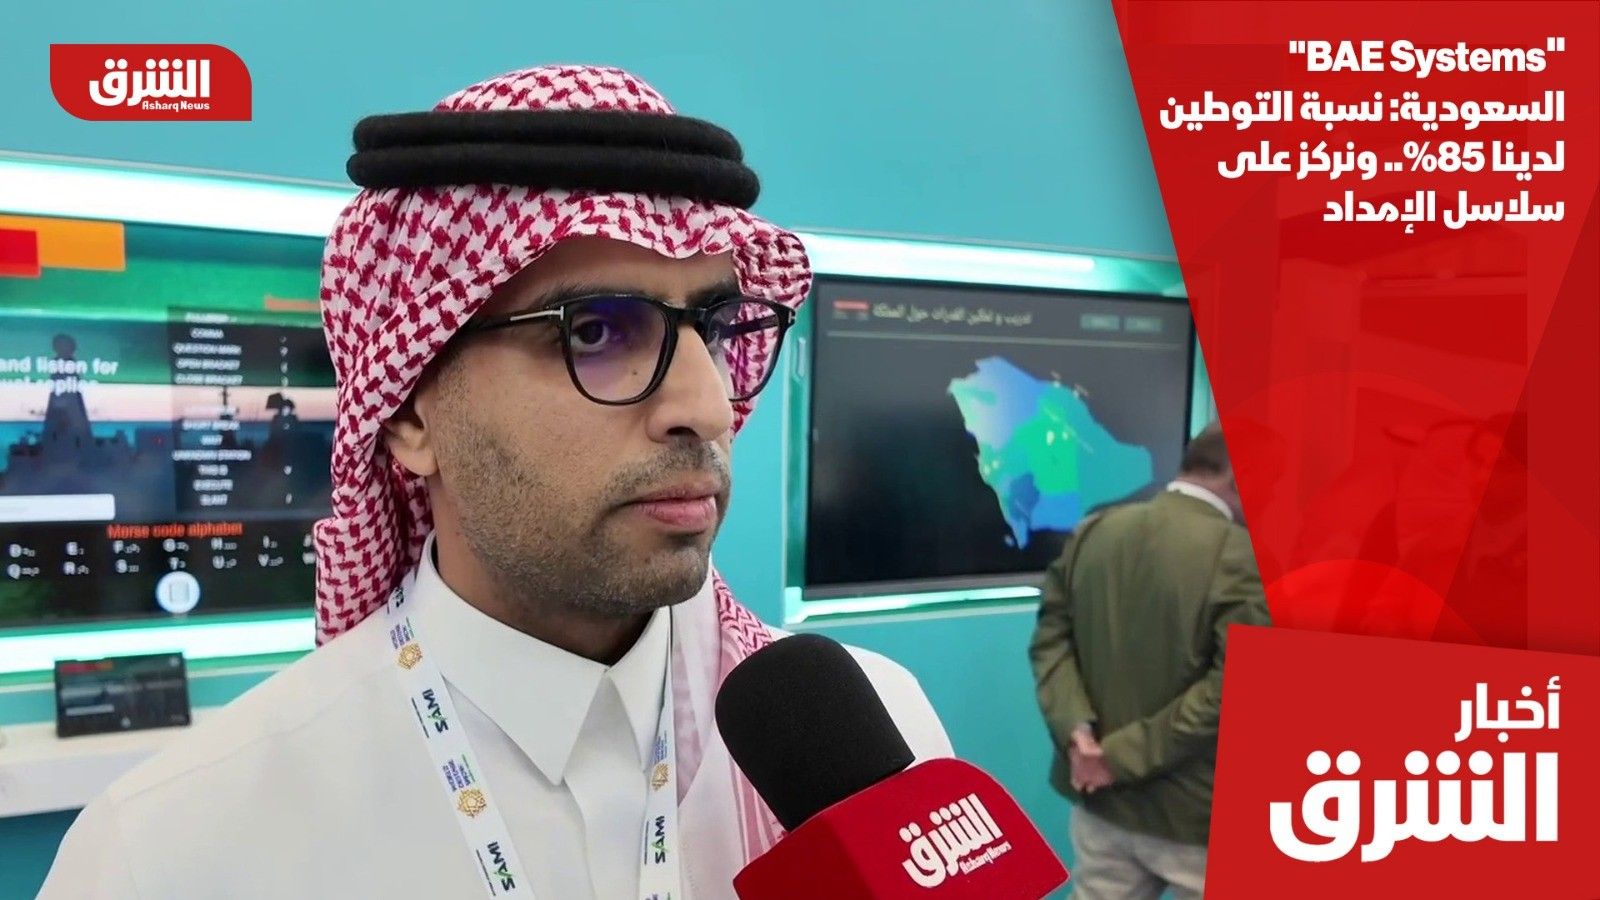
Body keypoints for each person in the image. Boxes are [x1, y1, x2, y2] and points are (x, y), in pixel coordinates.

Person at [40, 65, 950, 899]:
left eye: (713, 329)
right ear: (410, 413)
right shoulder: (177, 849)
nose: (707, 407)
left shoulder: (881, 745)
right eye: (595, 330)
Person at [1028, 423, 1269, 900]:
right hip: (1197, 815)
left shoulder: (1095, 531)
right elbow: (1233, 690)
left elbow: (1051, 641)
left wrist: (1079, 736)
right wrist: (1118, 758)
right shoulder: (1244, 557)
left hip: (1100, 802)